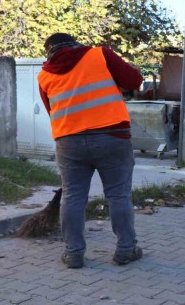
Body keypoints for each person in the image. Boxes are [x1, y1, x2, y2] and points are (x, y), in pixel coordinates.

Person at [38, 33, 144, 268]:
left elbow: (51, 109)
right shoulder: (100, 54)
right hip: (112, 137)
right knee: (118, 195)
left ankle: (74, 253)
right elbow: (134, 81)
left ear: (50, 52)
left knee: (73, 197)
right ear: (74, 43)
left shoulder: (44, 75)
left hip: (69, 142)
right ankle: (126, 249)